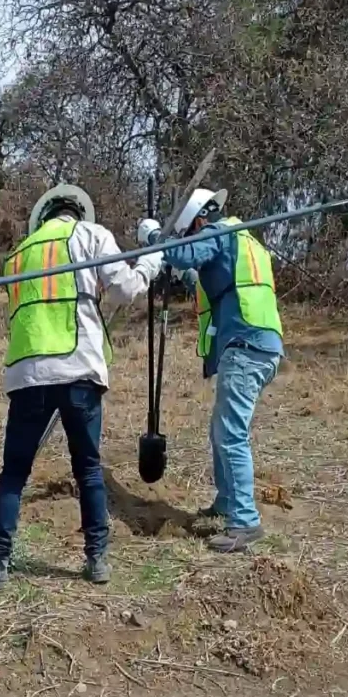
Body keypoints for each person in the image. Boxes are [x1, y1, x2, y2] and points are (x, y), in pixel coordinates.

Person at [0, 184, 165, 590]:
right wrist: (152, 259)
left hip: (28, 375)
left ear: (42, 217)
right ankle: (97, 560)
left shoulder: (19, 254)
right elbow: (125, 289)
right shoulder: (90, 235)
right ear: (79, 212)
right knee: (88, 469)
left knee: (14, 473)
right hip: (79, 369)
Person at [138, 189, 284, 553]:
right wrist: (182, 271)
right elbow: (209, 279)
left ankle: (244, 522)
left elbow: (186, 253)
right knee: (223, 429)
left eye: (190, 232)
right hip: (261, 344)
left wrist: (155, 238)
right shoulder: (243, 238)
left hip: (245, 345)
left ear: (199, 222)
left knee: (231, 434)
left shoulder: (217, 232)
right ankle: (226, 502)